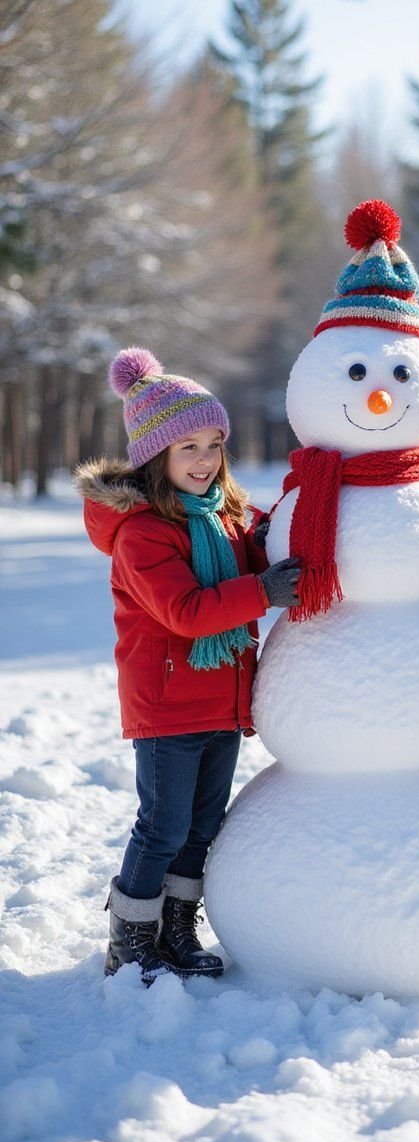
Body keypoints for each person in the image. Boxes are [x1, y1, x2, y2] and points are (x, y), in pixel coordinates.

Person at [75, 346, 301, 985]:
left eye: (213, 445)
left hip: (222, 700)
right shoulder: (144, 534)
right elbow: (186, 611)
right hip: (168, 703)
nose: (204, 460)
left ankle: (177, 926)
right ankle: (133, 935)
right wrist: (263, 592)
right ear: (156, 458)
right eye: (188, 448)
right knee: (164, 823)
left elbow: (263, 541)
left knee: (203, 825)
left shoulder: (223, 519)